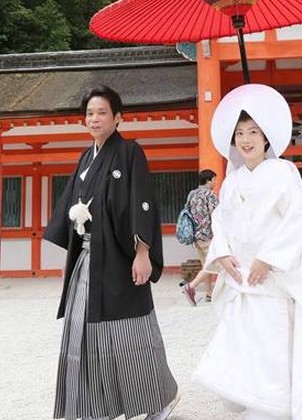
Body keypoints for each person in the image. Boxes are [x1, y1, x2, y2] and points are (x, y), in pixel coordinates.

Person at [44, 86, 179, 420]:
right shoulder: (86, 158)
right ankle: (97, 406)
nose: (94, 119)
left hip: (121, 259)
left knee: (130, 333)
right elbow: (73, 204)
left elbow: (143, 202)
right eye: (90, 113)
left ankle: (160, 400)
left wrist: (143, 252)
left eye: (102, 112)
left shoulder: (130, 152)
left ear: (118, 118)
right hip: (88, 260)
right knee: (84, 333)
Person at [192, 84, 302, 420]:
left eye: (253, 131)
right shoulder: (232, 180)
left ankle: (276, 404)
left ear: (267, 137)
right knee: (244, 339)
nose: (246, 139)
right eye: (239, 133)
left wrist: (268, 259)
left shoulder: (284, 173)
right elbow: (220, 220)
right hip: (241, 273)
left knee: (272, 340)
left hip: (272, 274)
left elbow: (296, 222)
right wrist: (221, 254)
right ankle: (250, 398)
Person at [181, 169, 218, 305]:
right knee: (214, 264)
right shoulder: (210, 195)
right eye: (214, 179)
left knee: (205, 264)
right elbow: (216, 215)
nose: (215, 182)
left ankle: (209, 294)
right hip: (209, 235)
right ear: (208, 180)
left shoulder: (192, 194)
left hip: (196, 236)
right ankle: (190, 287)